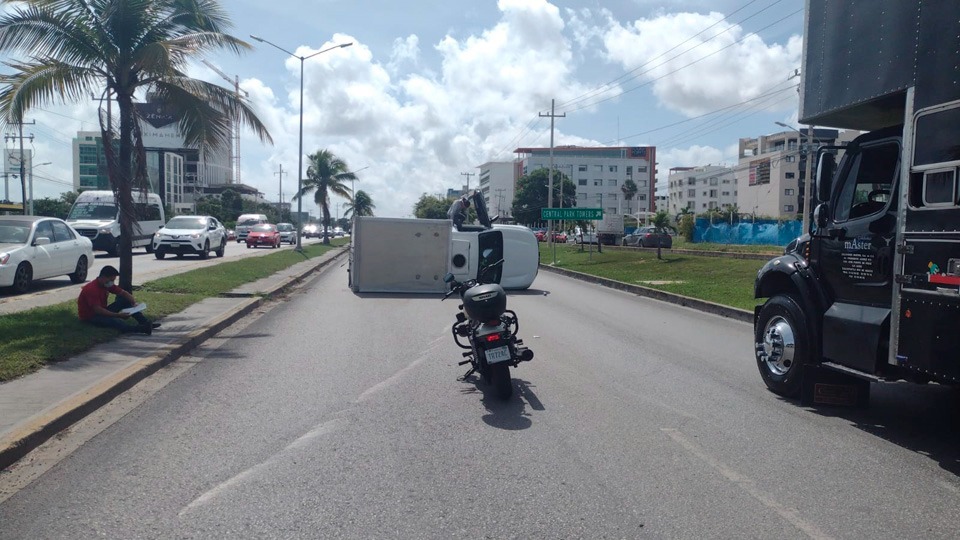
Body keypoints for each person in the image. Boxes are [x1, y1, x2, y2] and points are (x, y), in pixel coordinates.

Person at [78, 266, 160, 335]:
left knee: (124, 301)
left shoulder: (106, 284)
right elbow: (98, 310)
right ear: (103, 277)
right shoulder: (92, 289)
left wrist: (133, 303)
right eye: (111, 280)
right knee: (115, 322)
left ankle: (144, 322)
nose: (112, 283)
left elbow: (124, 293)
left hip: (102, 310)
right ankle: (141, 329)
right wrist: (118, 315)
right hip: (91, 316)